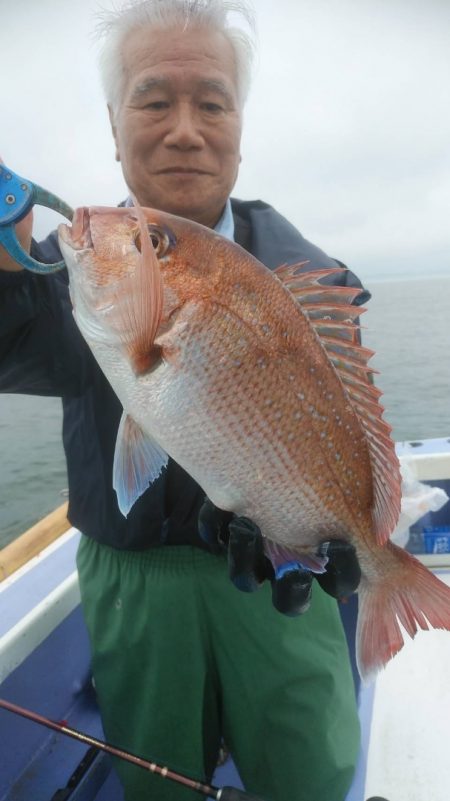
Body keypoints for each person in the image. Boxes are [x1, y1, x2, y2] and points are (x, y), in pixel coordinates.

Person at [0, 2, 370, 800]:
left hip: (283, 575)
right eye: (153, 98)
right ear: (113, 121)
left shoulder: (319, 280)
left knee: (310, 770)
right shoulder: (80, 271)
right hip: (131, 579)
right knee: (158, 780)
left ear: (240, 124)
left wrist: (348, 524)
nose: (184, 128)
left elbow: (351, 422)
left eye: (211, 101)